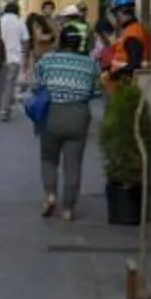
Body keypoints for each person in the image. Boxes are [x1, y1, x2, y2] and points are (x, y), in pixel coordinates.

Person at [31, 13, 99, 222]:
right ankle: (68, 208)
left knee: (48, 158)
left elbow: (39, 86)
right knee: (73, 162)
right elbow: (95, 92)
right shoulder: (91, 64)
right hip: (78, 115)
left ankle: (50, 195)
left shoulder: (47, 60)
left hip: (52, 113)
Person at [0, 0, 25, 119]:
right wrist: (24, 54)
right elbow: (25, 40)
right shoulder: (20, 22)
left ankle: (4, 107)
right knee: (10, 84)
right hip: (14, 58)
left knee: (1, 84)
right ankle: (5, 109)